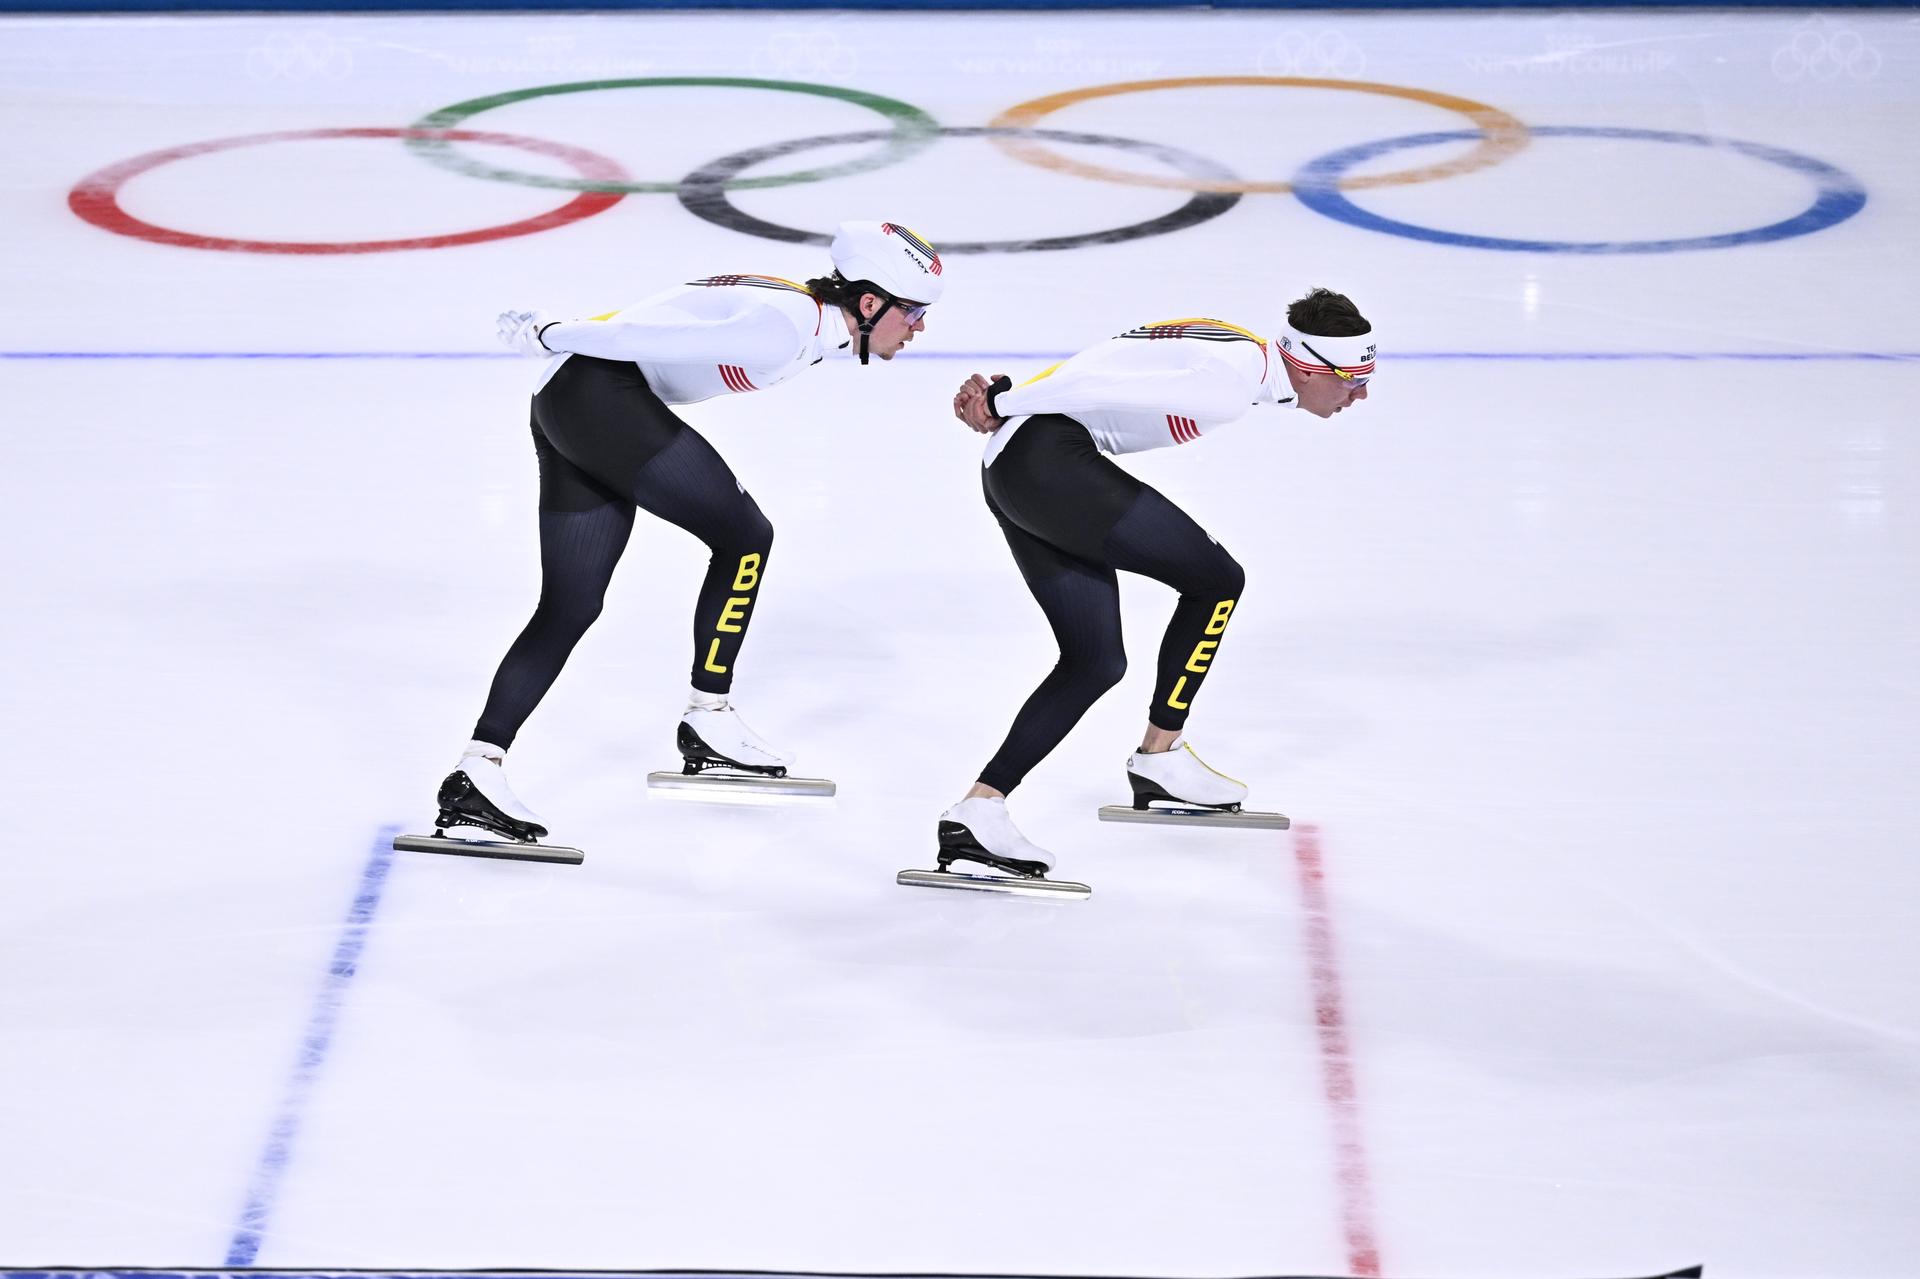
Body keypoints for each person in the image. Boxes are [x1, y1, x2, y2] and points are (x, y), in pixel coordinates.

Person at [430, 221, 944, 846]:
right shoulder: (786, 326)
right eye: (913, 313)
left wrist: (559, 344)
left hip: (572, 398)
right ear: (869, 303)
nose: (918, 328)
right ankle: (709, 715)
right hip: (598, 392)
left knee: (571, 604)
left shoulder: (806, 320)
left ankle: (477, 769)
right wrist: (549, 331)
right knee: (746, 538)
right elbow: (649, 333)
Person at [936, 288, 1374, 881]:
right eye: (1353, 378)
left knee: (1095, 661)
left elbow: (1110, 358)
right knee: (1218, 580)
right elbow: (1098, 386)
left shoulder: (1237, 355)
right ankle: (1159, 759)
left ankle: (978, 810)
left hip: (1016, 468)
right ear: (1310, 365)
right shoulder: (1227, 381)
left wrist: (1011, 403)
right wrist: (1003, 399)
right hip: (1047, 461)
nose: (1361, 393)